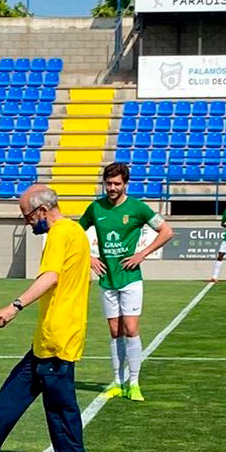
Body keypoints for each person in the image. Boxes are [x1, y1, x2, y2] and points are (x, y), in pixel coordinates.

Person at [0, 184, 95, 452]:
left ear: (43, 211)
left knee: (60, 408)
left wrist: (15, 305)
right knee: (16, 388)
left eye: (27, 215)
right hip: (50, 337)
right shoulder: (74, 232)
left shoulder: (59, 234)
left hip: (58, 337)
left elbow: (51, 277)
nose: (26, 221)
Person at [78, 162, 173, 402]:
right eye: (108, 183)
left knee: (130, 328)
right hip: (106, 278)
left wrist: (142, 254)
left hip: (130, 278)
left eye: (116, 183)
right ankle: (117, 383)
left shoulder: (138, 208)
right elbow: (75, 234)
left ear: (125, 184)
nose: (111, 187)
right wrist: (89, 258)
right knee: (114, 330)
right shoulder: (95, 208)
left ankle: (134, 382)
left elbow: (166, 232)